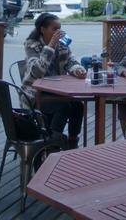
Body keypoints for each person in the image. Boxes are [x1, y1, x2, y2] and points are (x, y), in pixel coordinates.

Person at [22, 13, 87, 148]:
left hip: (58, 92)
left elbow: (71, 61)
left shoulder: (62, 44)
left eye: (60, 28)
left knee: (78, 106)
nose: (59, 32)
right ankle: (52, 143)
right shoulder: (31, 45)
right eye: (54, 29)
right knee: (63, 107)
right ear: (42, 29)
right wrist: (50, 46)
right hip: (35, 94)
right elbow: (37, 71)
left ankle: (72, 142)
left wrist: (77, 69)